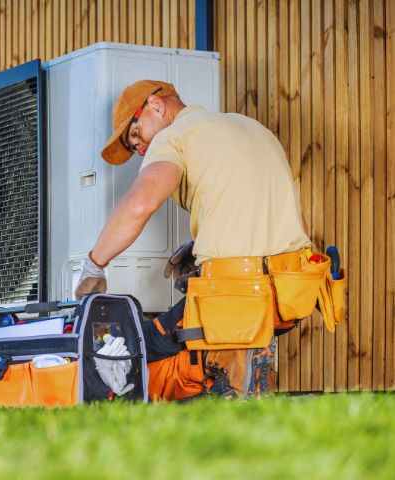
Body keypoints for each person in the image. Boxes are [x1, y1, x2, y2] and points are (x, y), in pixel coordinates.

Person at [74, 79, 313, 400]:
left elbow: (140, 205)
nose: (140, 149)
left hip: (234, 292)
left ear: (156, 106)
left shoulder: (174, 136)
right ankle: (244, 388)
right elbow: (251, 201)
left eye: (135, 135)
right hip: (289, 290)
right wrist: (201, 248)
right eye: (134, 148)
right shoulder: (248, 126)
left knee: (139, 345)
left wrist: (94, 266)